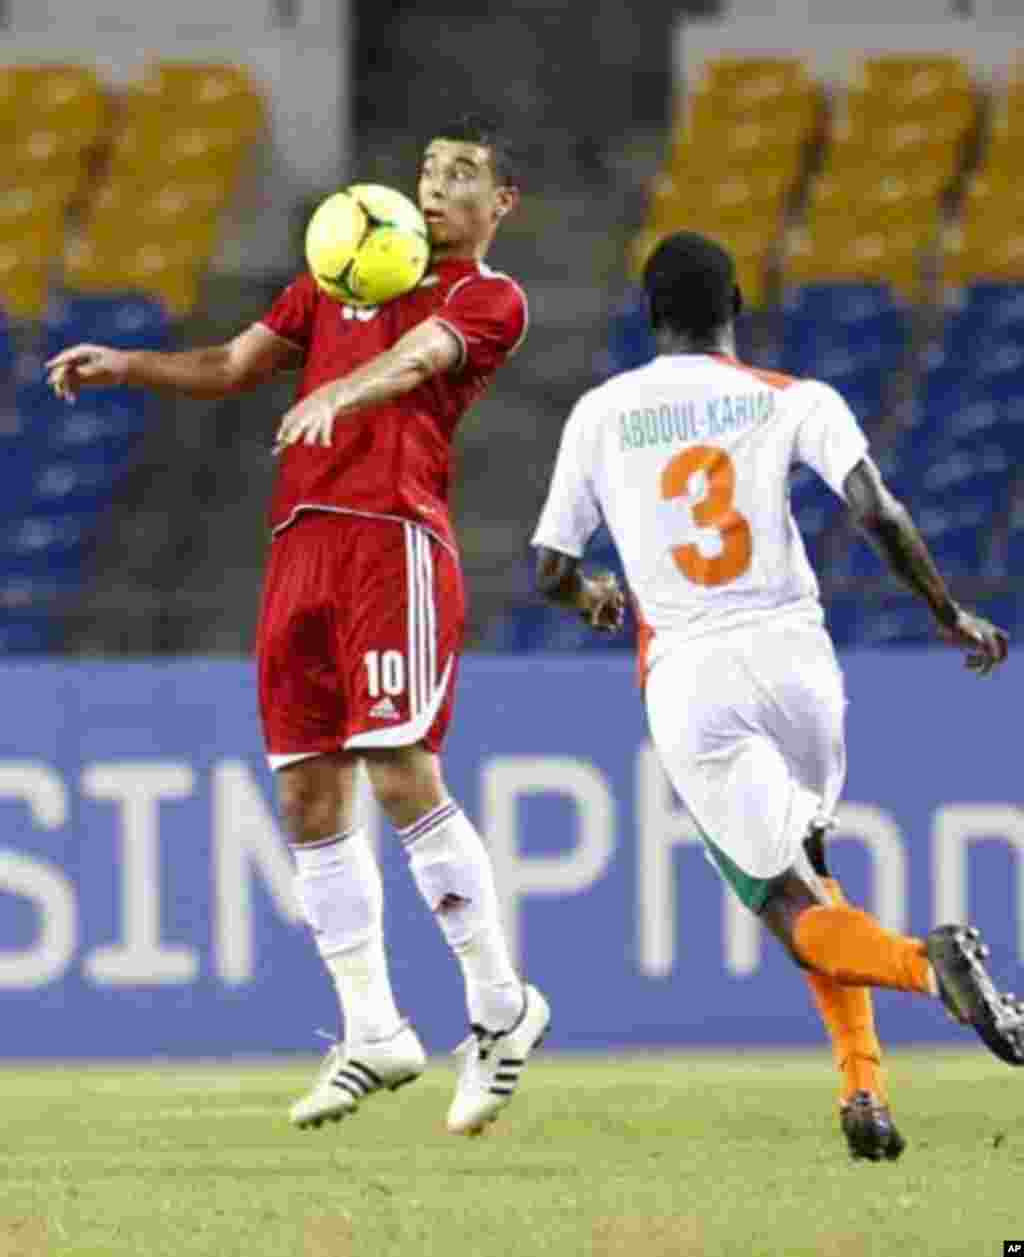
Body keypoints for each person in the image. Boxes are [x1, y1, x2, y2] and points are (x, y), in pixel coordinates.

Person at [46, 114, 550, 1138]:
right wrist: (129, 365)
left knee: (402, 771)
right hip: (301, 548)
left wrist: (339, 395)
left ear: (500, 205)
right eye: (427, 166)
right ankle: (373, 1030)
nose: (437, 184)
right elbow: (235, 363)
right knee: (307, 795)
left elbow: (417, 360)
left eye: (462, 175)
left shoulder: (487, 297)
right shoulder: (338, 267)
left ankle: (501, 1008)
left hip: (392, 538)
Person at [530, 230, 1021, 1162]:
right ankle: (863, 1089)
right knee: (815, 873)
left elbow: (553, 566)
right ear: (737, 310)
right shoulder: (796, 397)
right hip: (798, 660)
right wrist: (947, 610)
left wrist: (593, 595)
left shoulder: (601, 412)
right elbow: (877, 508)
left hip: (693, 677)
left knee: (795, 914)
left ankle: (931, 966)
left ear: (649, 317)